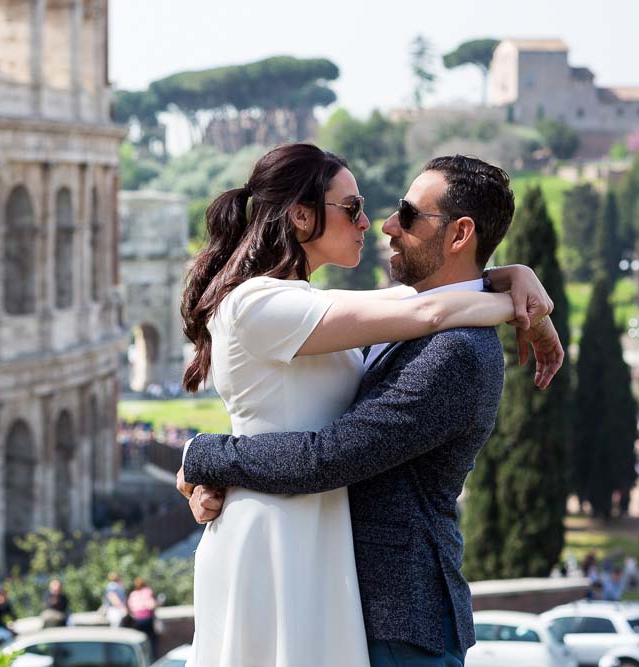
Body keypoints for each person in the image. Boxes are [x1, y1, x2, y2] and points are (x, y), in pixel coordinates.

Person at [176, 148, 563, 667]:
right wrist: (517, 296)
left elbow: (330, 456)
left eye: (406, 215)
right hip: (293, 555)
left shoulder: (456, 351)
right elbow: (420, 310)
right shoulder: (289, 305)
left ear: (459, 234)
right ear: (300, 215)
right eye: (355, 207)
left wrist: (205, 456)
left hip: (393, 613)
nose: (381, 225)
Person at [127, 577, 158, 657]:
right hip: (147, 618)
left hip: (138, 620)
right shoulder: (147, 591)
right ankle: (152, 657)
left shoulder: (133, 594)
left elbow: (131, 608)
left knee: (141, 639)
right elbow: (152, 605)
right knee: (152, 640)